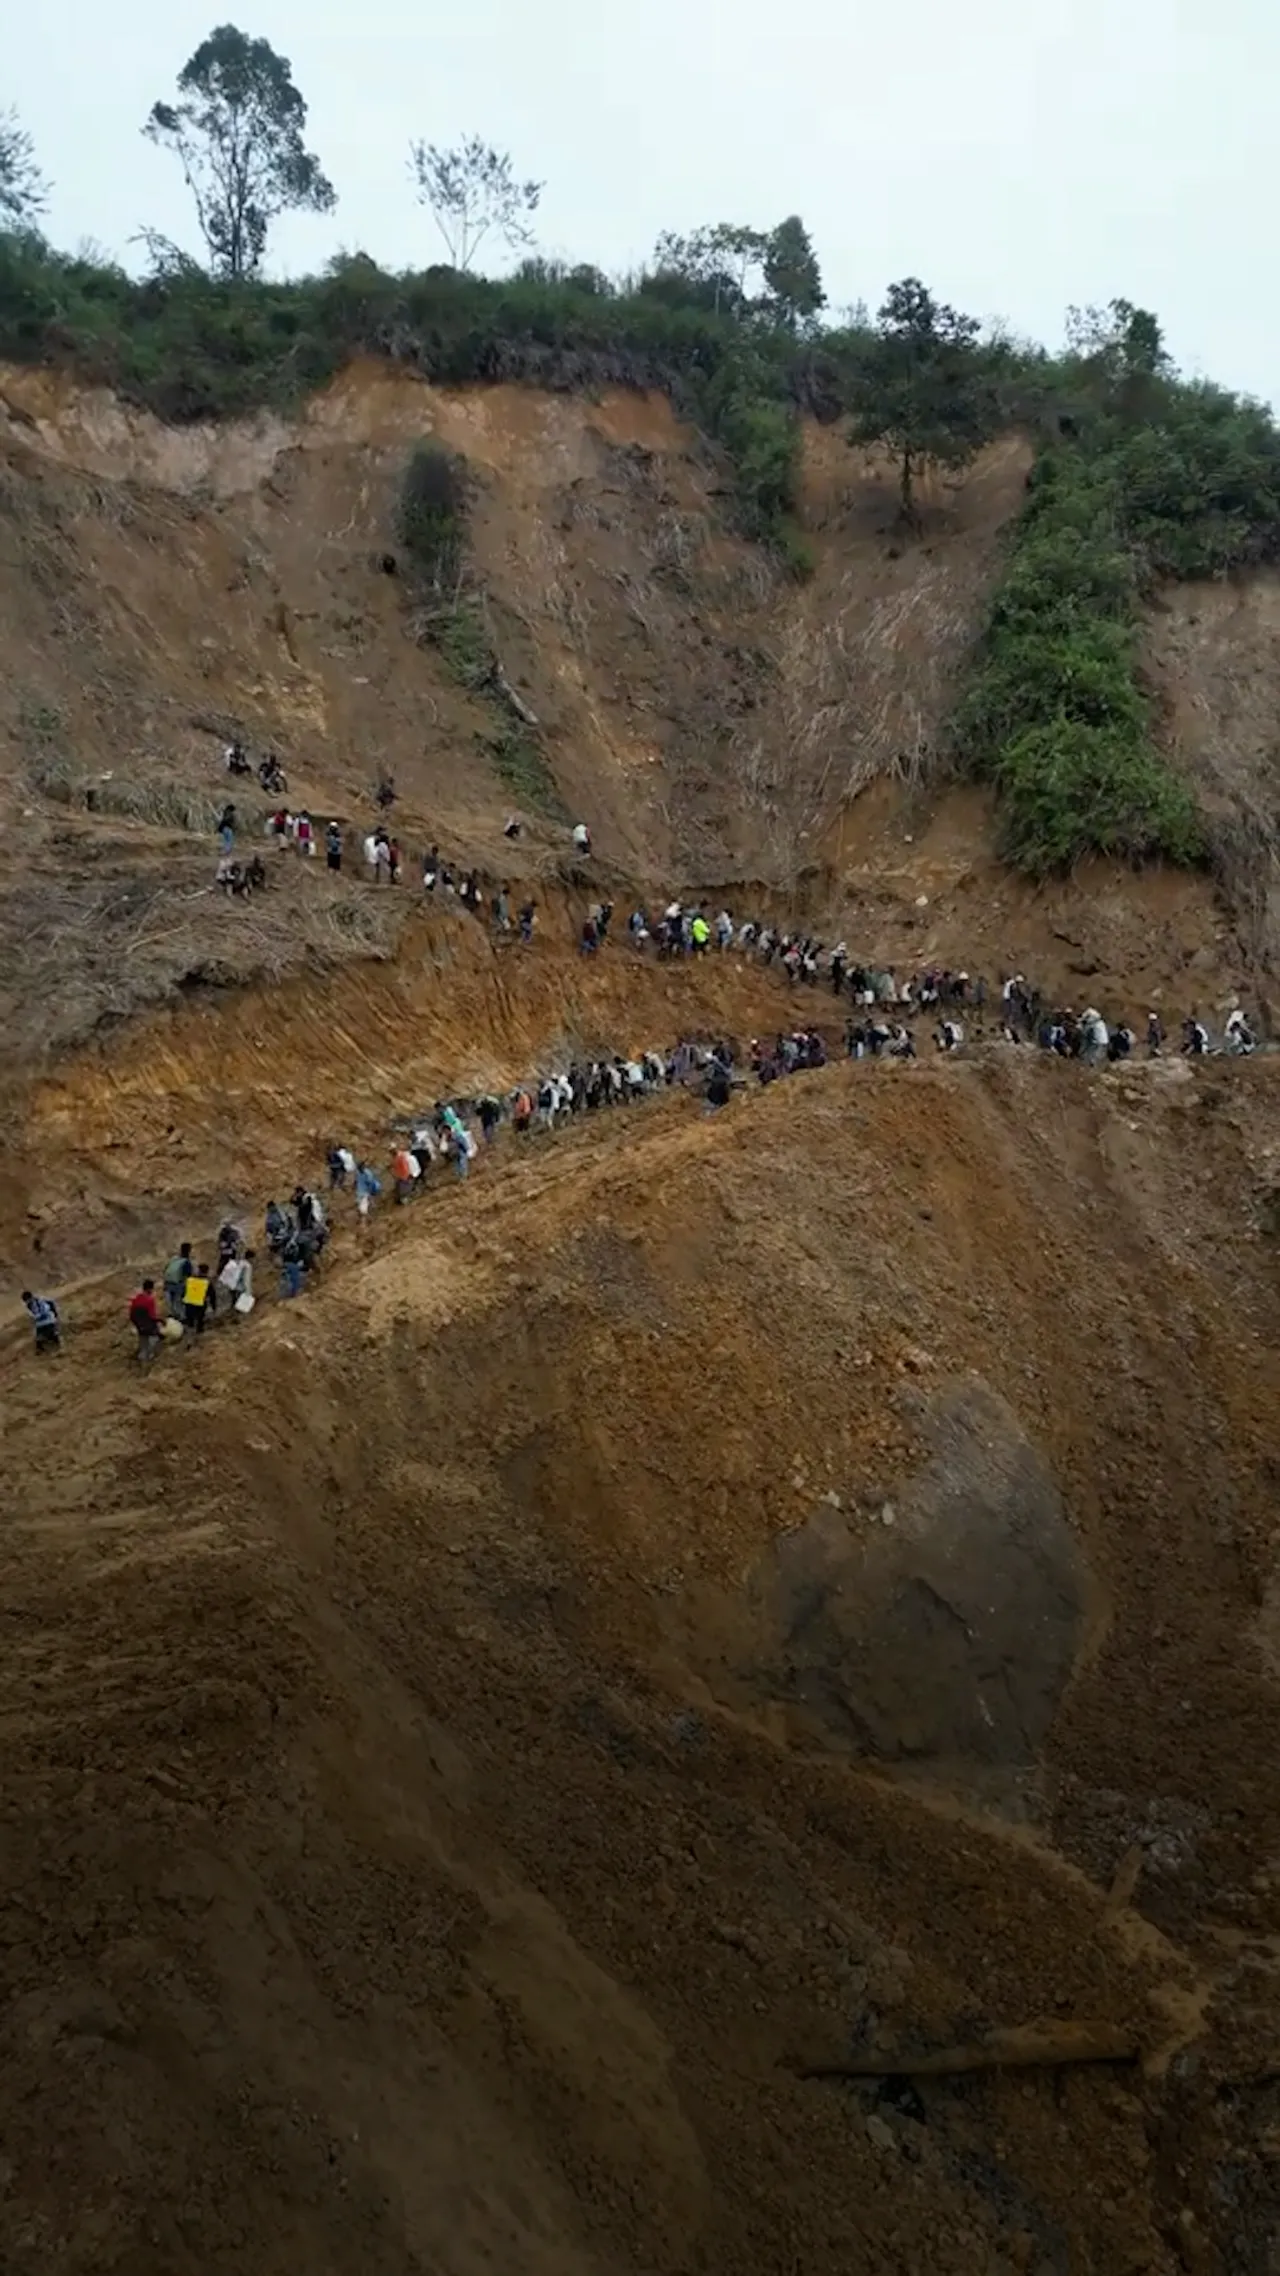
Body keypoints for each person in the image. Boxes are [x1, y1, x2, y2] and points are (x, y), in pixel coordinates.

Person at [129, 1279, 162, 1365]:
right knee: (155, 1338)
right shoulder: (149, 1300)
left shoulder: (137, 1298)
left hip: (138, 1323)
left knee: (143, 1339)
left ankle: (141, 1355)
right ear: (149, 1289)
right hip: (148, 1324)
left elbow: (132, 1313)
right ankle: (149, 1356)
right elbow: (152, 1316)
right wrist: (162, 1320)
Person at [163, 1242, 193, 1320]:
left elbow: (165, 1269)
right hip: (177, 1285)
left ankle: (173, 1316)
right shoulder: (186, 1262)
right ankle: (182, 1318)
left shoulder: (174, 1259)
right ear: (189, 1250)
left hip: (167, 1284)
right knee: (178, 1302)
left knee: (171, 1303)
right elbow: (188, 1277)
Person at [183, 1261, 212, 1337]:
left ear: (198, 1270)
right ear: (207, 1272)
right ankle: (199, 1330)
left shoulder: (190, 1280)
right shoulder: (207, 1282)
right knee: (200, 1319)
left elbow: (184, 1291)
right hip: (199, 1306)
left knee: (190, 1322)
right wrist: (213, 1306)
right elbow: (212, 1296)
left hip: (188, 1304)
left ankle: (189, 1331)